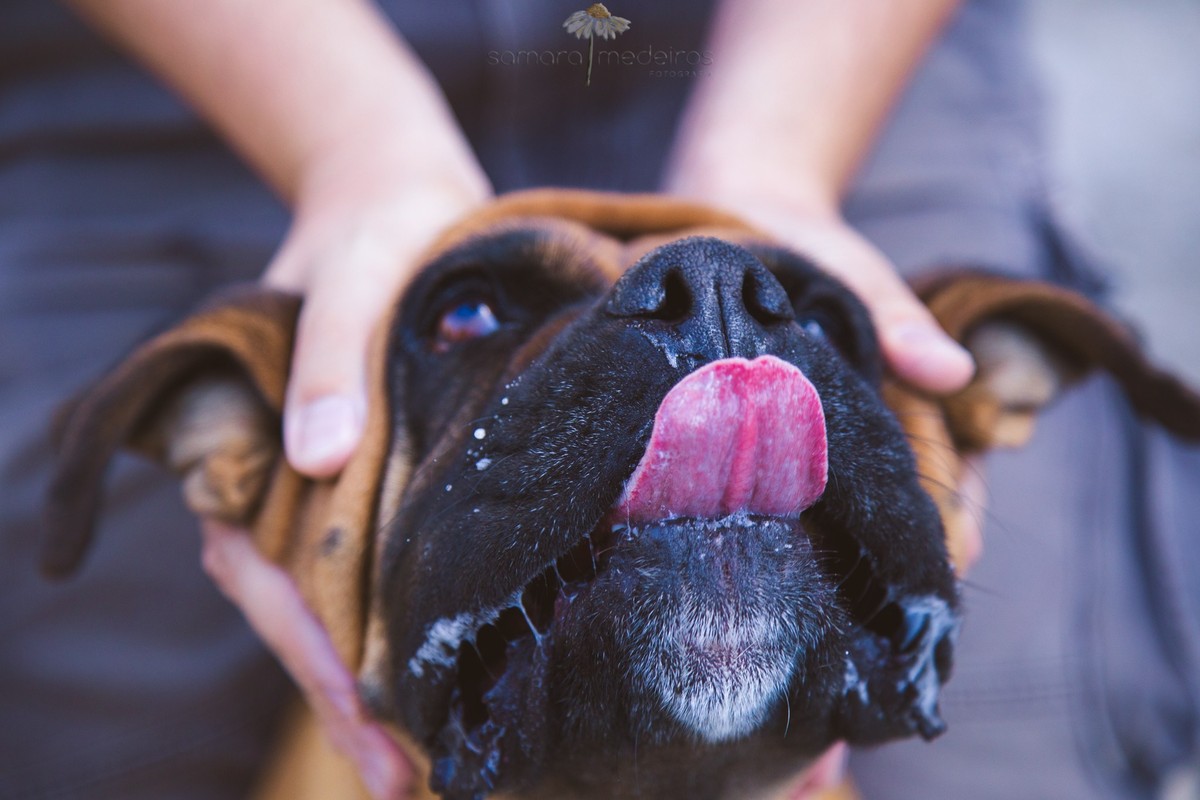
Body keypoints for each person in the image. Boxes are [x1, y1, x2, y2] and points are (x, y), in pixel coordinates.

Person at [1, 1, 1195, 798]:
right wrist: (350, 148)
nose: (706, 300)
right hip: (172, 78)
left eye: (797, 312)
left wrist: (775, 165)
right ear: (238, 439)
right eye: (470, 315)